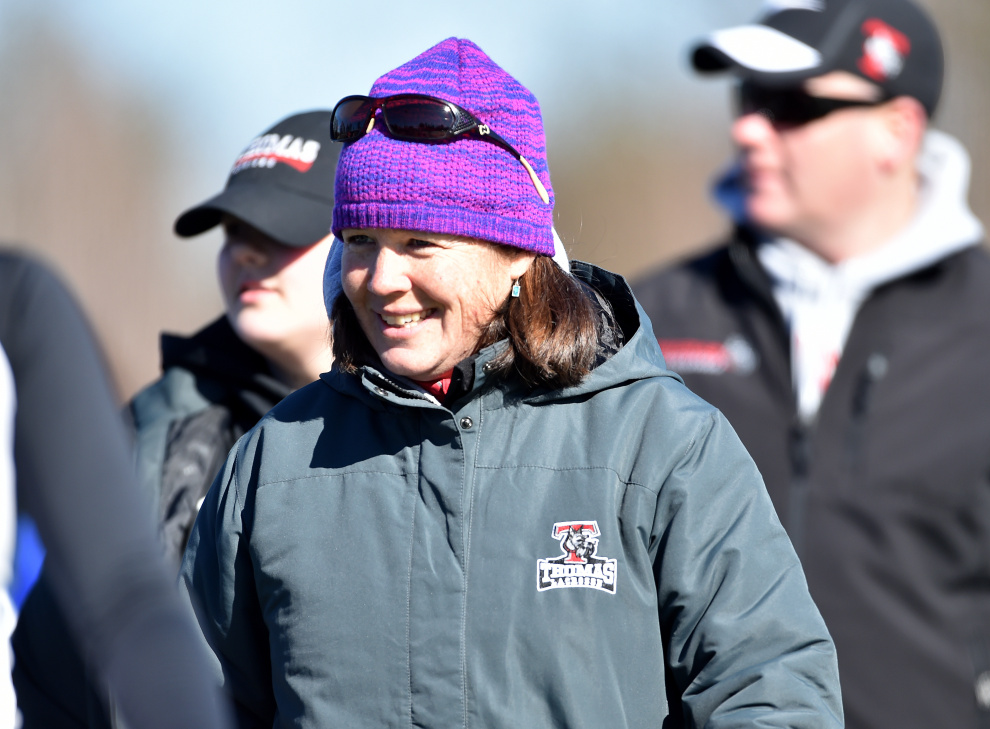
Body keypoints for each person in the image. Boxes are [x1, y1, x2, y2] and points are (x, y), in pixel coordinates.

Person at [180, 37, 843, 728]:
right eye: (360, 241)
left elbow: (771, 691)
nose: (381, 281)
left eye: (419, 243)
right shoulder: (275, 462)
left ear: (520, 253)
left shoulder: (659, 443)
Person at [630, 1, 990, 727]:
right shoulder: (643, 321)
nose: (748, 128)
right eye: (746, 99)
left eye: (792, 107)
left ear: (897, 132)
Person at [11, 111, 338, 728]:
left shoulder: (436, 432)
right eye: (234, 229)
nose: (246, 250)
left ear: (359, 241)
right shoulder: (146, 432)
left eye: (279, 227)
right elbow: (49, 669)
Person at [0, 249, 233, 729]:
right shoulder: (162, 433)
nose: (250, 253)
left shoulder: (16, 304)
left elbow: (125, 594)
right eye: (234, 234)